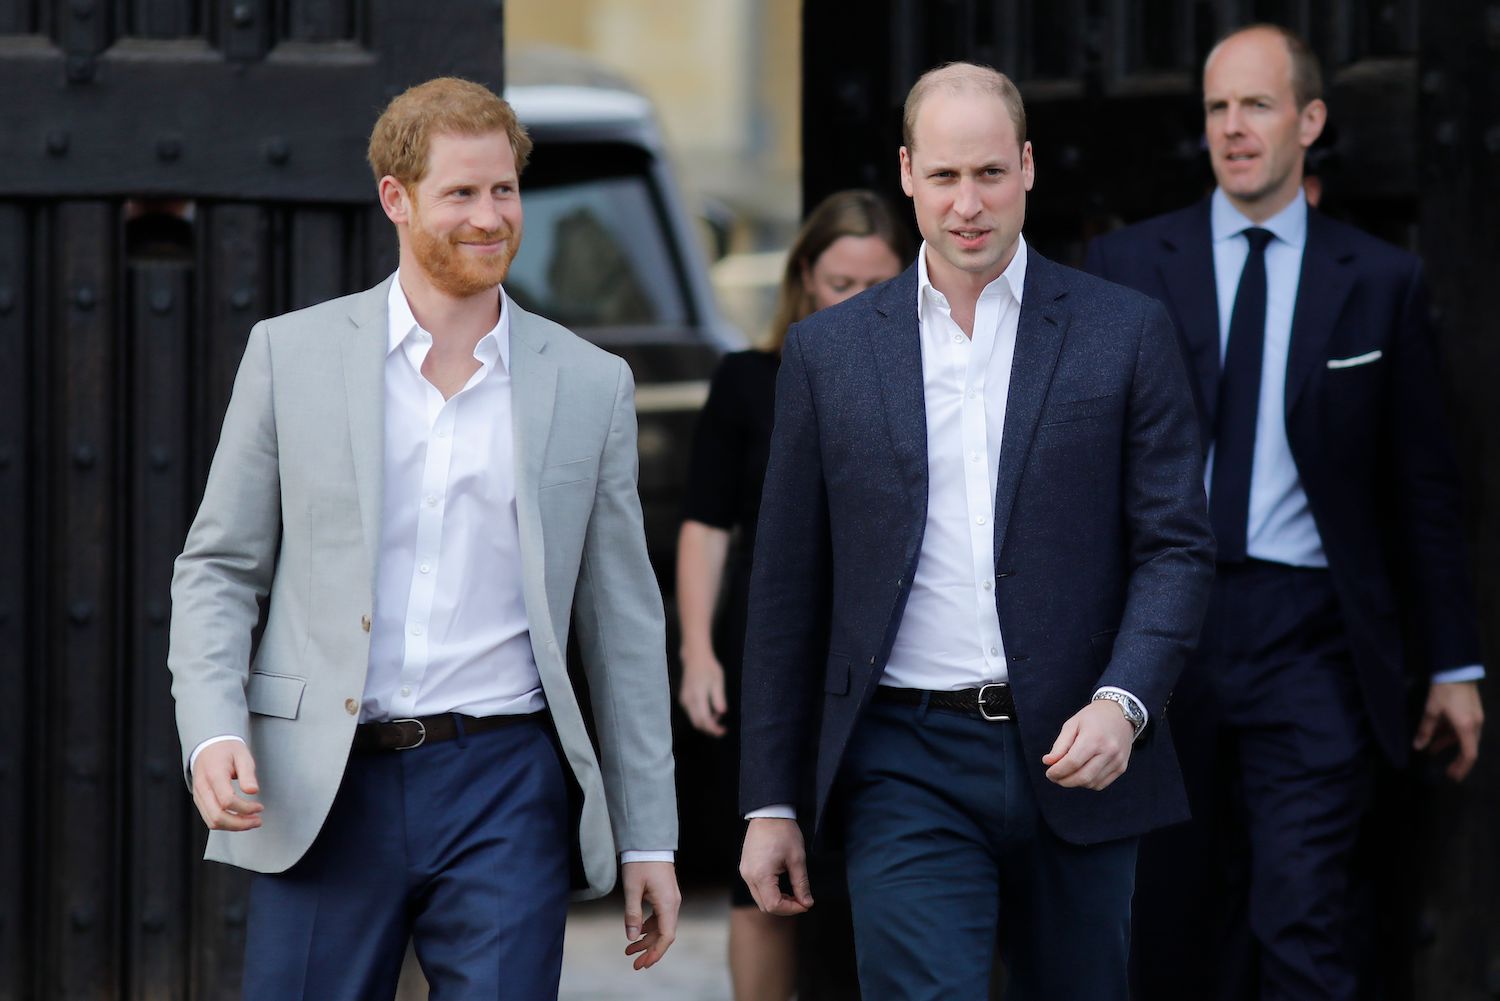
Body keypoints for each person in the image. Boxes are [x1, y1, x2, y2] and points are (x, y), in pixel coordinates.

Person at [167, 76, 681, 1000]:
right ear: (395, 199)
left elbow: (624, 629)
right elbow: (219, 567)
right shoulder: (292, 355)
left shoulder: (590, 382)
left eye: (505, 190)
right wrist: (211, 729)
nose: (491, 217)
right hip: (325, 782)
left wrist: (649, 836)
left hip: (505, 783)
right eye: (462, 193)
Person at [736, 62, 1216, 999]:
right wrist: (769, 799)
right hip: (902, 757)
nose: (968, 203)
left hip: (1084, 750)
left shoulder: (1125, 331)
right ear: (908, 173)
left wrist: (1126, 702)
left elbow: (1177, 547)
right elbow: (788, 582)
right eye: (947, 176)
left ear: (1029, 167)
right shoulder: (829, 352)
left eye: (990, 173)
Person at [1083, 24, 1485, 1001]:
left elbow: (1421, 486)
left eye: (1256, 105)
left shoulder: (1379, 282)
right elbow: (1078, 470)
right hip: (1161, 633)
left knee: (1304, 911)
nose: (1233, 128)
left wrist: (1455, 663)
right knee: (1172, 917)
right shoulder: (1129, 265)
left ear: (1310, 119)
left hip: (1313, 635)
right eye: (1218, 108)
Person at [677, 189, 912, 1001]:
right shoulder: (749, 379)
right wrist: (698, 651)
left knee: (873, 862)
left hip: (879, 644)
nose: (854, 300)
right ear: (805, 277)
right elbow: (706, 524)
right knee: (761, 867)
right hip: (769, 644)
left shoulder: (926, 383)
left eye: (875, 285)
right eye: (839, 282)